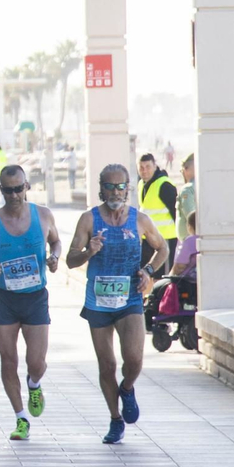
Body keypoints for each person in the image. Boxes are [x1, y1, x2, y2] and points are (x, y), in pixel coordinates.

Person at [65, 164, 166, 444]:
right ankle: (115, 419)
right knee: (106, 364)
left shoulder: (140, 220)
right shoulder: (89, 220)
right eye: (109, 186)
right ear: (100, 189)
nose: (115, 191)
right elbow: (70, 260)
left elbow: (163, 247)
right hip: (98, 302)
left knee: (133, 360)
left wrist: (148, 271)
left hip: (130, 298)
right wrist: (89, 252)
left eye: (120, 186)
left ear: (128, 190)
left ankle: (128, 388)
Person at [0, 166, 60, 441]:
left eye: (18, 188)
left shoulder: (43, 215)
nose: (14, 195)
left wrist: (55, 258)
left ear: (27, 187)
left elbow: (57, 242)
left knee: (36, 362)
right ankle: (21, 418)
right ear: (1, 191)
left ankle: (34, 384)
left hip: (35, 297)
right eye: (8, 190)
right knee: (8, 360)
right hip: (4, 299)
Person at [137, 153, 181, 273]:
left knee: (161, 277)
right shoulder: (141, 184)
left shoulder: (164, 185)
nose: (144, 171)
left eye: (148, 166)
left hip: (165, 239)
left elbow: (175, 211)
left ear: (155, 166)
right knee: (144, 273)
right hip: (147, 238)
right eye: (141, 167)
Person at [177, 154, 197, 242]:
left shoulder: (187, 189)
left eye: (182, 170)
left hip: (189, 239)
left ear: (186, 169)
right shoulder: (202, 186)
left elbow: (190, 216)